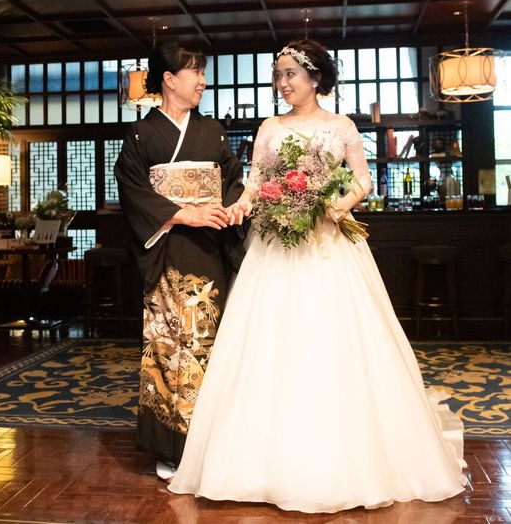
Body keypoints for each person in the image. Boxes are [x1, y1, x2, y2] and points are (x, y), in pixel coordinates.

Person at [168, 39, 466, 513]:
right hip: (276, 248)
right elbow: (254, 184)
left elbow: (363, 179)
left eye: (290, 74)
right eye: (278, 75)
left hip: (329, 246)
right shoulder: (270, 128)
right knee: (270, 344)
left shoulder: (340, 126)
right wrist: (240, 207)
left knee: (337, 343)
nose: (282, 84)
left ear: (315, 79)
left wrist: (339, 204)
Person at [114, 42, 245, 481]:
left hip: (210, 248)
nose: (203, 81)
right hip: (168, 248)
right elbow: (133, 188)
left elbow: (233, 179)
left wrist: (233, 206)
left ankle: (213, 443)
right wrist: (183, 213)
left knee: (209, 344)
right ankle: (170, 446)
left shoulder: (213, 131)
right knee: (170, 347)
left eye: (203, 72)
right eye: (195, 73)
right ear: (169, 79)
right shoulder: (141, 134)